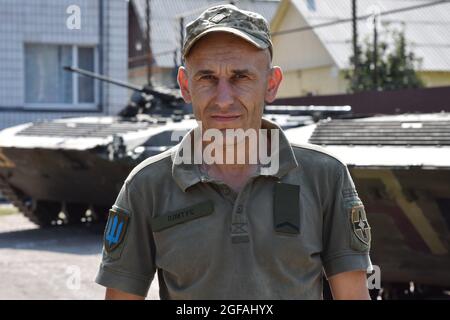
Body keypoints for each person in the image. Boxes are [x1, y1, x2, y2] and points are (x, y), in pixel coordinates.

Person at [95, 4, 372, 300]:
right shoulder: (148, 186)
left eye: (241, 77)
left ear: (271, 84)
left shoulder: (323, 176)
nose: (224, 99)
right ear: (185, 86)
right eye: (207, 78)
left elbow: (352, 296)